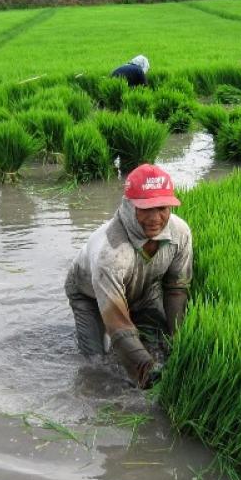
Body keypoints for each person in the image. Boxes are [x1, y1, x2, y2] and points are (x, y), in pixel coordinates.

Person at [65, 164, 192, 389]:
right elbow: (118, 324)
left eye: (162, 207)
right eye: (145, 209)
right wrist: (146, 370)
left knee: (159, 344)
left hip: (143, 290)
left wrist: (178, 341)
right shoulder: (111, 251)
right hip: (89, 295)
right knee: (96, 361)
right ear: (128, 204)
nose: (155, 218)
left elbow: (175, 288)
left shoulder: (180, 233)